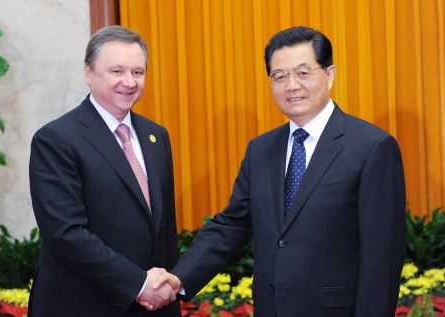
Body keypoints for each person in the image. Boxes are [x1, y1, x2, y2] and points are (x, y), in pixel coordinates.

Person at [151, 26, 406, 316]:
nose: (292, 85)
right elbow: (231, 225)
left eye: (303, 72)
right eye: (279, 76)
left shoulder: (372, 147)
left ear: (330, 74)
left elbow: (381, 260)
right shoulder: (260, 150)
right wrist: (179, 278)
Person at [28, 25, 181, 316]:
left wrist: (166, 290)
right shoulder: (57, 139)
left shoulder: (156, 136)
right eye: (117, 71)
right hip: (81, 304)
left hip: (150, 305)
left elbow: (164, 231)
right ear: (88, 73)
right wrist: (138, 284)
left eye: (138, 72)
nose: (129, 81)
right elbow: (66, 234)